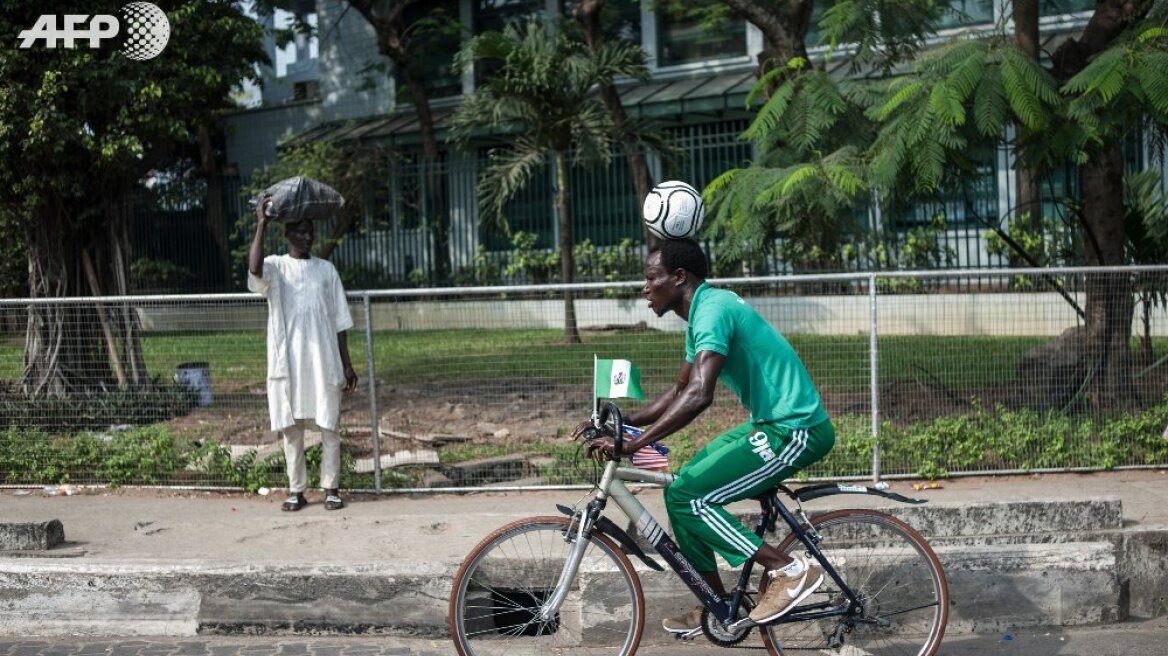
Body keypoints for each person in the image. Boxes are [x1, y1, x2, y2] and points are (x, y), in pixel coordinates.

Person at [576, 238, 835, 635]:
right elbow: (680, 389)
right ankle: (717, 607)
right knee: (680, 490)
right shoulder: (701, 313)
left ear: (679, 277)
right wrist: (623, 422)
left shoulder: (712, 311)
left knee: (690, 497)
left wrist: (633, 444)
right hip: (769, 424)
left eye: (651, 278)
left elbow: (700, 395)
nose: (645, 287)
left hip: (796, 429)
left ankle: (789, 569)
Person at [248, 195, 358, 512]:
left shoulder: (326, 270)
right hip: (290, 361)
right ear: (288, 235)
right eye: (301, 232)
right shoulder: (276, 267)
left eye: (310, 231)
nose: (307, 237)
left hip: (324, 361)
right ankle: (296, 491)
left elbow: (340, 320)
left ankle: (331, 489)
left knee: (329, 427)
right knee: (292, 429)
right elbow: (254, 268)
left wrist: (347, 365)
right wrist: (261, 223)